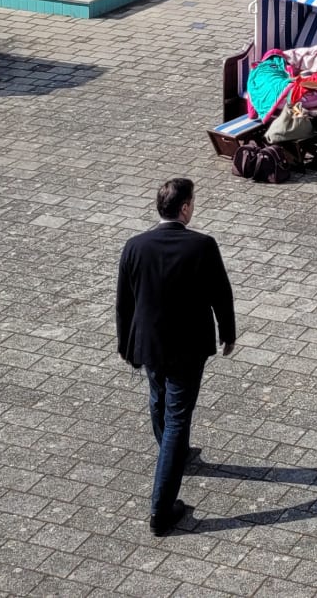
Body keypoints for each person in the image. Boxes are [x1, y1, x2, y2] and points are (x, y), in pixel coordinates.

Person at [115, 177, 236, 536]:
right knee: (178, 417)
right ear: (184, 208)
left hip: (149, 345)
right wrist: (227, 333)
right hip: (188, 347)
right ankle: (161, 509)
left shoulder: (135, 246)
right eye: (193, 202)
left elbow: (124, 302)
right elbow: (221, 293)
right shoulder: (202, 245)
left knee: (158, 397)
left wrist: (125, 344)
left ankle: (172, 452)